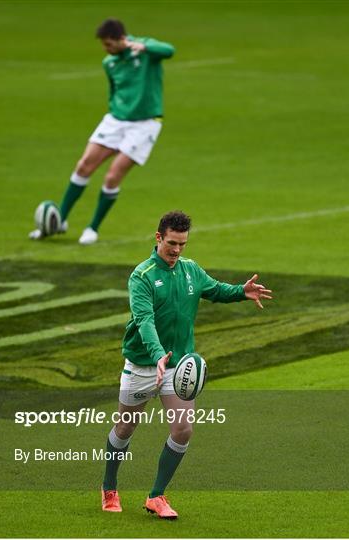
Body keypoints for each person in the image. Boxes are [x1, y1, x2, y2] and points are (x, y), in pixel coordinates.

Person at [101, 210, 273, 519]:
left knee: (183, 429)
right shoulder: (141, 276)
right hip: (143, 365)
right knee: (126, 427)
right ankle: (109, 486)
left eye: (182, 244)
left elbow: (216, 289)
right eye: (172, 244)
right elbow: (144, 320)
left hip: (179, 367)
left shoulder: (191, 270)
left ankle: (156, 496)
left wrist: (241, 292)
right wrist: (156, 355)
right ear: (158, 238)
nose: (177, 251)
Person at [29, 19, 175, 244]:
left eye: (109, 44)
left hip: (145, 124)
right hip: (116, 119)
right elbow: (113, 91)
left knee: (112, 175)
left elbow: (169, 50)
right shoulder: (110, 63)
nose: (106, 49)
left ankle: (92, 228)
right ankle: (59, 221)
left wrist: (144, 46)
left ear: (120, 39)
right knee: (84, 165)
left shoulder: (144, 50)